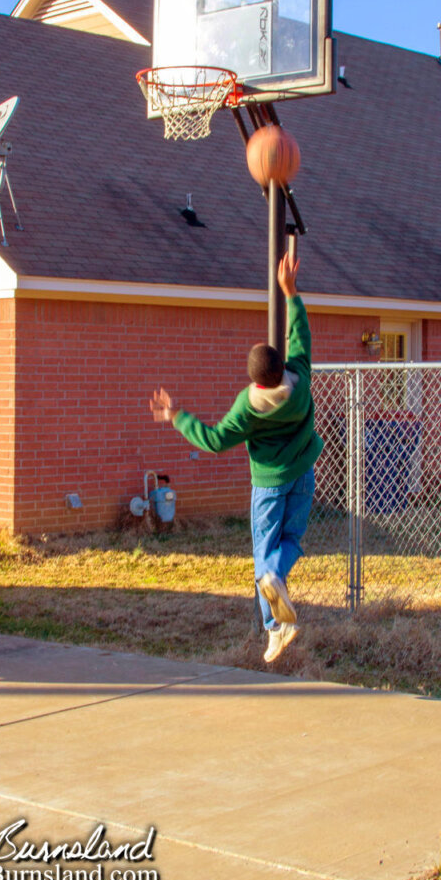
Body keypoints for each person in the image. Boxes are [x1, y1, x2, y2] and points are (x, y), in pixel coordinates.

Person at [150, 252, 323, 663]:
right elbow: (301, 333)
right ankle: (276, 585)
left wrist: (177, 415)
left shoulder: (247, 409)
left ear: (254, 380)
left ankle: (275, 625)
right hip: (303, 471)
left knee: (264, 556)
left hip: (269, 482)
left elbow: (212, 439)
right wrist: (291, 292)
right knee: (291, 541)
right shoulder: (299, 380)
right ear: (281, 366)